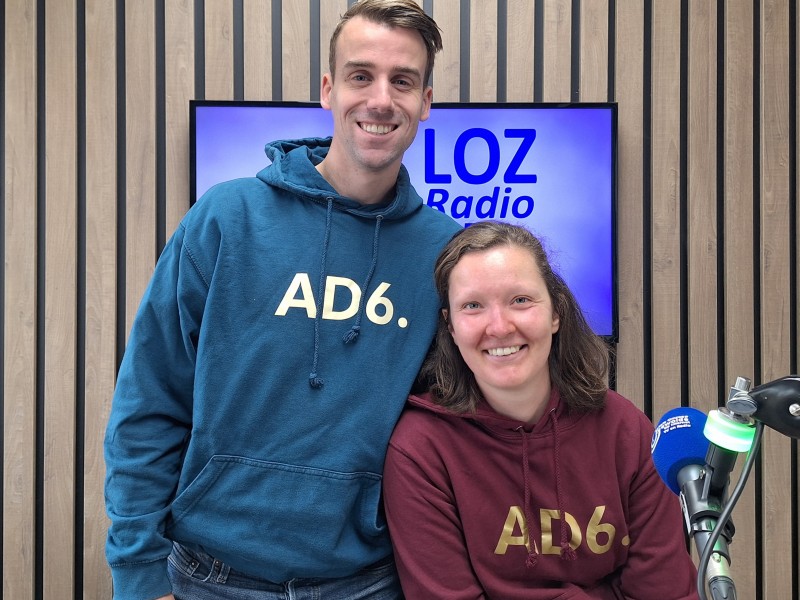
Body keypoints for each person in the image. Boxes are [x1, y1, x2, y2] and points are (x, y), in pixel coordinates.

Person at [103, 1, 460, 599]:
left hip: (368, 582)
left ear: (426, 101)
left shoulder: (443, 252)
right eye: (360, 75)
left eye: (402, 81)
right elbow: (149, 399)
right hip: (207, 578)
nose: (380, 99)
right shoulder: (226, 216)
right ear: (328, 90)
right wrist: (140, 575)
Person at [383, 221, 700, 599]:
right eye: (473, 306)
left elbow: (665, 591)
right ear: (450, 327)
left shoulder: (627, 432)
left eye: (520, 300)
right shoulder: (420, 450)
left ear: (555, 313)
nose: (499, 327)